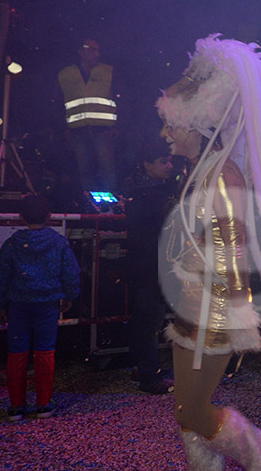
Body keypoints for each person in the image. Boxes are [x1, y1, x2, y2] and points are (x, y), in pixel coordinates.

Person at [156, 35, 261, 471]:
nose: (164, 134)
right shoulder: (205, 173)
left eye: (170, 124)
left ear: (195, 125)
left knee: (193, 411)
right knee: (186, 414)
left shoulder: (221, 176)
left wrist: (225, 327)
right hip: (194, 312)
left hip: (210, 317)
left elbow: (230, 257)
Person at [0, 194, 81, 421]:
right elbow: (71, 272)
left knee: (17, 352)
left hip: (19, 304)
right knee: (45, 350)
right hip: (47, 304)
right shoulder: (58, 242)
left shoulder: (13, 243)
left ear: (20, 217)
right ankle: (43, 404)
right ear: (49, 216)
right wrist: (70, 295)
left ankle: (16, 406)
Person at [120, 138, 177, 394]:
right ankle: (149, 376)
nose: (169, 165)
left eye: (169, 159)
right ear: (147, 164)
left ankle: (142, 368)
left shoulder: (136, 189)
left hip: (146, 266)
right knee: (150, 321)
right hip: (151, 267)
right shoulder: (151, 196)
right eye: (163, 161)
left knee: (145, 320)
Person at [57, 38, 119, 192]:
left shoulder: (108, 71)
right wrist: (64, 129)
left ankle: (110, 204)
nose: (96, 54)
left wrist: (118, 126)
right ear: (80, 51)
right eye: (91, 49)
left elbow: (120, 100)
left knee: (107, 168)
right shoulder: (65, 74)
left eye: (97, 50)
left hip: (103, 130)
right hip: (78, 131)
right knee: (84, 170)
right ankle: (88, 203)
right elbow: (59, 103)